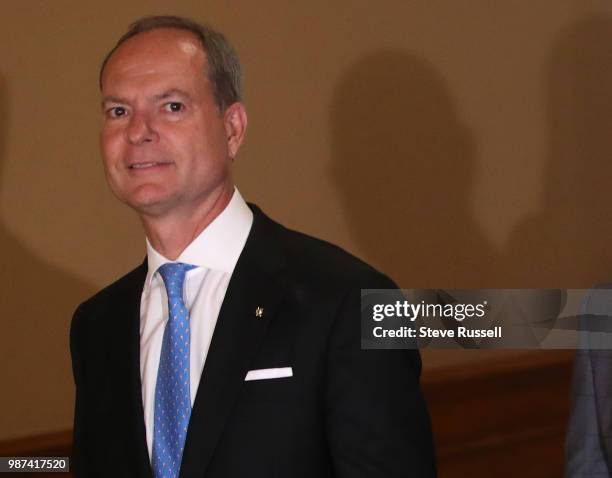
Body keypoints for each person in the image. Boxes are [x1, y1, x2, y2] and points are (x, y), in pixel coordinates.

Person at [70, 15, 436, 478]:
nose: (139, 131)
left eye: (172, 106)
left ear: (233, 129)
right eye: (118, 111)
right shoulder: (96, 327)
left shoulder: (351, 301)